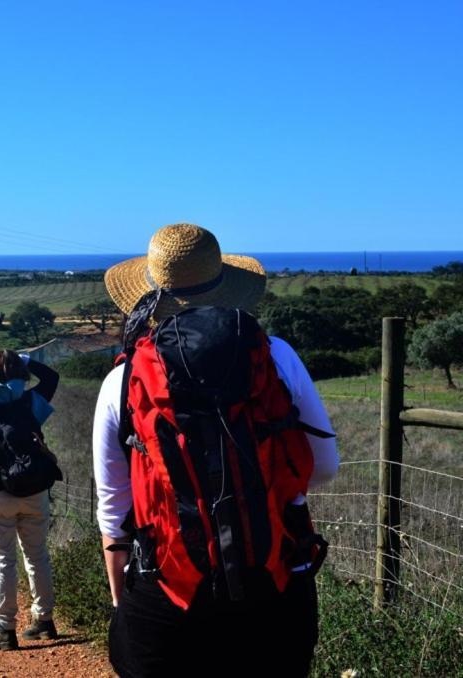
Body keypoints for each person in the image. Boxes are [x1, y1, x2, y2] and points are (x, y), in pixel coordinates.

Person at [93, 224, 339, 677]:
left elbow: (113, 508)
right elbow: (323, 466)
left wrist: (123, 601)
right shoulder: (277, 356)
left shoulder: (122, 379)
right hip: (276, 578)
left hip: (166, 591)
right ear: (227, 285)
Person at [0, 349, 60, 650]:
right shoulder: (30, 401)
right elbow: (52, 377)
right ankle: (43, 621)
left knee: (4, 562)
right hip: (33, 490)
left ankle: (5, 630)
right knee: (37, 556)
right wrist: (27, 360)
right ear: (20, 374)